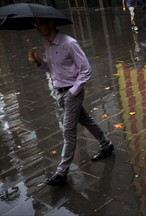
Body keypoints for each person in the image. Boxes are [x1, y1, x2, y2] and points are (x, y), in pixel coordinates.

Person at [28, 18, 114, 186]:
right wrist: (38, 61)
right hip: (59, 93)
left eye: (40, 23)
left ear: (51, 24)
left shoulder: (69, 43)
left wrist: (73, 93)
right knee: (86, 120)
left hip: (71, 92)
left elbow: (86, 70)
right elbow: (53, 69)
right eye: (36, 24)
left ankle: (62, 173)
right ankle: (106, 145)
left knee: (68, 131)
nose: (37, 27)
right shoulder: (47, 43)